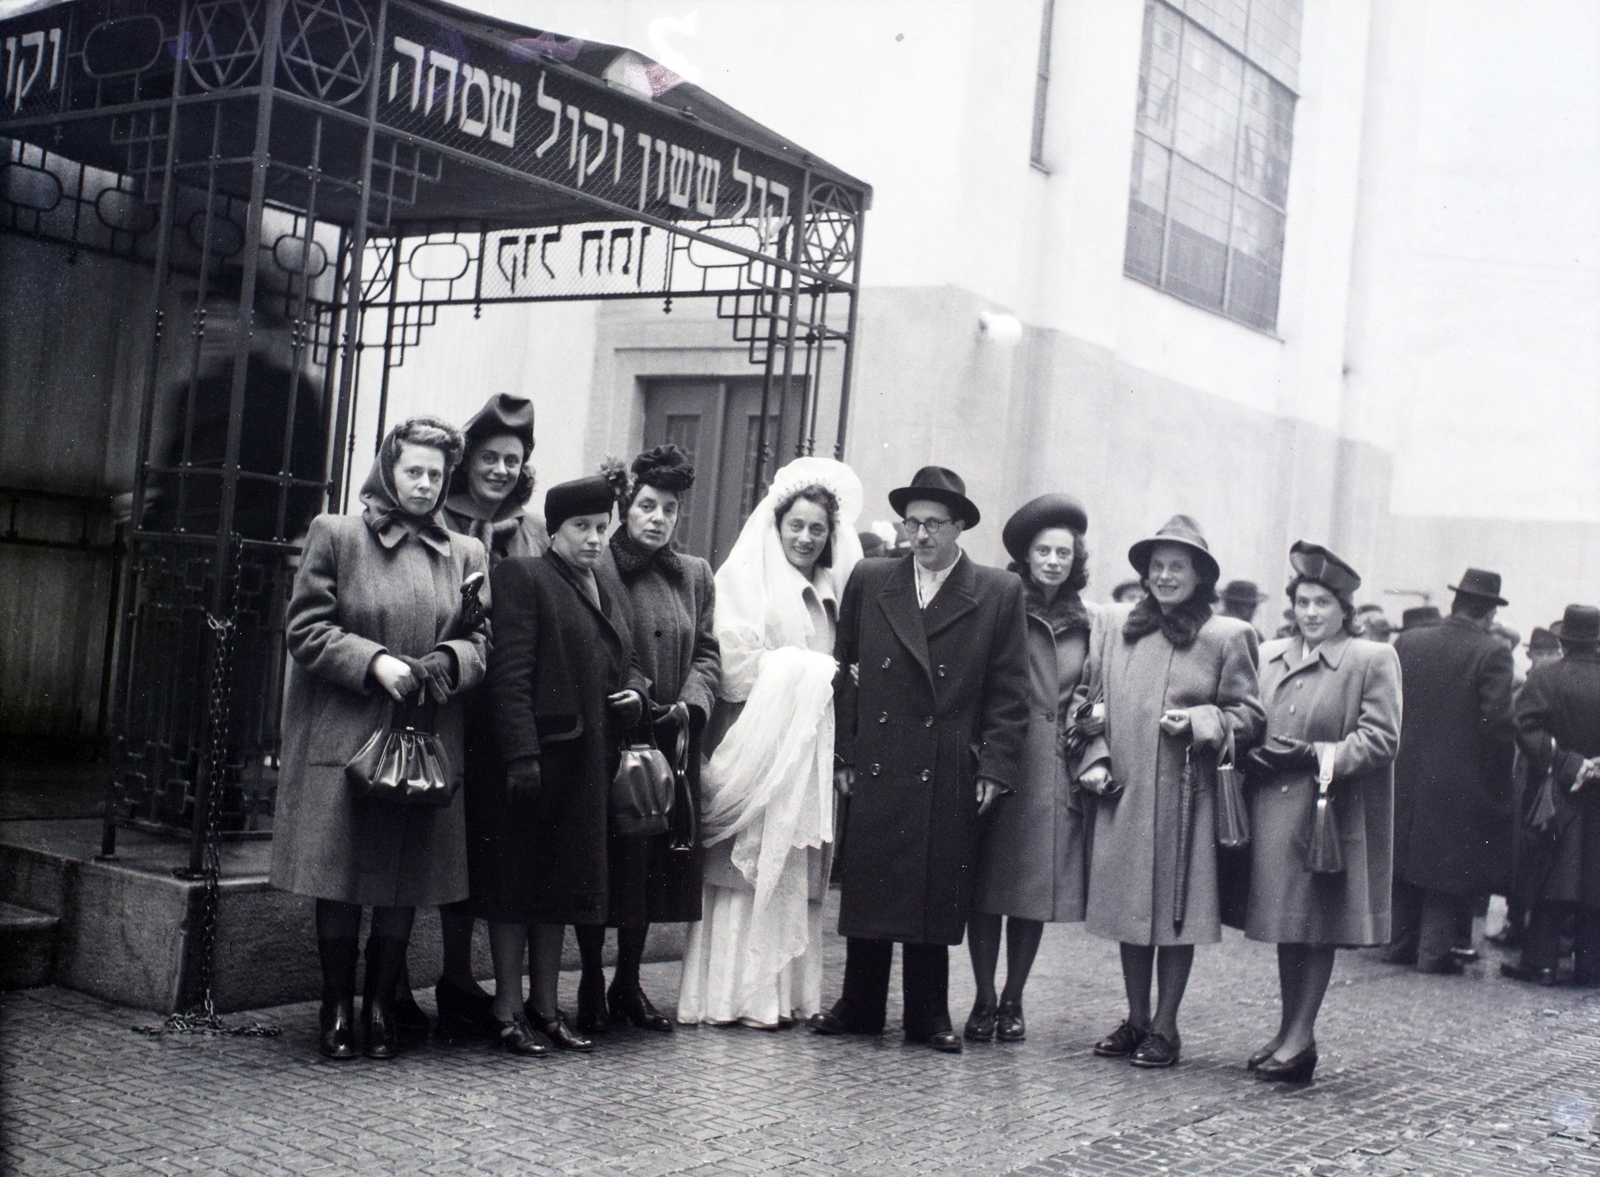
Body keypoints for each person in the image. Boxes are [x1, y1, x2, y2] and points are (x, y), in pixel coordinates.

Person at [271, 417, 488, 1060]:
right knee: (341, 872)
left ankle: (380, 1006)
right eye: (412, 471)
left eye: (435, 474)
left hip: (423, 735)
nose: (424, 485)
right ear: (388, 470)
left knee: (404, 874)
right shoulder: (337, 534)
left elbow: (483, 640)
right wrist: (373, 662)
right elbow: (306, 629)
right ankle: (336, 1007)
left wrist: (448, 661)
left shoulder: (467, 552)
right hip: (349, 732)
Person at [810, 466, 1029, 1054]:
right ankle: (859, 1004)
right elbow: (845, 671)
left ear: (959, 527)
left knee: (934, 886)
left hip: (948, 758)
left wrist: (995, 767)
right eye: (913, 523)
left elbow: (1011, 692)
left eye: (935, 524)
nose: (922, 535)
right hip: (879, 757)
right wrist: (847, 752)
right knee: (873, 879)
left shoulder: (995, 592)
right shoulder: (871, 578)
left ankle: (928, 1014)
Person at [678, 458, 863, 1028]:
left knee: (789, 871)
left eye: (817, 529)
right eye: (796, 526)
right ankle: (732, 996)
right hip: (756, 743)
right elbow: (735, 667)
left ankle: (779, 997)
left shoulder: (832, 588)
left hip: (805, 751)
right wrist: (818, 671)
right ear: (776, 525)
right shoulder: (744, 579)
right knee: (744, 871)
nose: (806, 538)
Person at [1077, 514, 1264, 1069]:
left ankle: (1166, 1026)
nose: (1163, 577)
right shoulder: (1116, 628)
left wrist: (1204, 719)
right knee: (1130, 912)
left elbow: (1249, 715)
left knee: (1177, 914)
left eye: (1176, 567)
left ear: (1200, 575)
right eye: (1156, 566)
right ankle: (1136, 1018)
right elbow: (1086, 701)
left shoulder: (1226, 636)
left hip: (1188, 801)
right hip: (1126, 793)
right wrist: (1094, 757)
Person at [475, 473, 650, 1057]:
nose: (596, 539)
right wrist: (521, 755)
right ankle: (506, 1008)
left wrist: (634, 691)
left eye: (603, 527)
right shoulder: (525, 576)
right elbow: (511, 671)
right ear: (554, 530)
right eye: (582, 528)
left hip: (585, 766)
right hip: (538, 765)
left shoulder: (602, 582)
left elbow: (624, 656)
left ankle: (546, 1009)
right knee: (515, 888)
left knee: (557, 890)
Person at [1243, 542, 1402, 1082]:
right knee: (1291, 926)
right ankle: (1289, 1032)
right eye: (1303, 602)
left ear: (1344, 611)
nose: (1311, 613)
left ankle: (1301, 1037)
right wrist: (1252, 754)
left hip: (1327, 817)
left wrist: (1314, 754)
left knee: (1317, 927)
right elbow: (1249, 718)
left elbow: (1381, 739)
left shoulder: (1371, 658)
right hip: (1272, 814)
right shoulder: (1268, 654)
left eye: (1322, 604)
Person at [578, 446, 720, 1033]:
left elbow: (709, 650)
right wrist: (632, 691)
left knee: (652, 864)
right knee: (606, 864)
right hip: (613, 736)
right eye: (646, 506)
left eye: (669, 509)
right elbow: (597, 638)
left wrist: (689, 702)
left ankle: (628, 983)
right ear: (625, 506)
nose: (658, 519)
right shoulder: (598, 567)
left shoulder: (695, 575)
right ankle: (589, 982)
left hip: (669, 739)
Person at [432, 393, 550, 1043]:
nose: (501, 469)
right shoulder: (442, 518)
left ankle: (469, 978)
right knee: (443, 839)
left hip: (506, 705)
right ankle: (439, 973)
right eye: (490, 457)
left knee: (488, 844)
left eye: (513, 459)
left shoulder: (527, 529)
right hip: (451, 697)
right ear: (466, 461)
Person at [965, 494, 1097, 1044]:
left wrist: (1087, 719)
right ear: (1025, 554)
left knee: (1031, 892)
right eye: (1043, 550)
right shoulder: (999, 600)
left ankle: (1014, 999)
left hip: (1052, 768)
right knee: (987, 887)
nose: (1053, 561)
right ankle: (983, 997)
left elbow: (1089, 686)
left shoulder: (1087, 622)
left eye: (1063, 553)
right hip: (1000, 759)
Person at [1387, 569, 1515, 974]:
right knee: (1445, 867)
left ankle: (1398, 945)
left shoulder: (1409, 641)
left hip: (1405, 769)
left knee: (1406, 857)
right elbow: (1496, 723)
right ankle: (1434, 954)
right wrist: (1496, 777)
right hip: (1461, 779)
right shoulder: (1492, 652)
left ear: (1456, 603)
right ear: (1488, 613)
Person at [1503, 604, 1600, 986]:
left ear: (1563, 639)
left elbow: (1525, 728)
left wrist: (1569, 763)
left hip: (1556, 792)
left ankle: (1539, 962)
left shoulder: (1545, 677)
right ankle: (1591, 967)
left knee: (1551, 875)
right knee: (1596, 877)